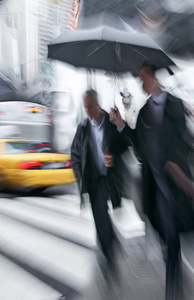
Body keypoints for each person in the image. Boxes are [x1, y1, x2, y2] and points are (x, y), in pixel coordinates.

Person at [110, 61, 194, 300]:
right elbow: (137, 143)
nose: (140, 83)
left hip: (174, 179)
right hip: (154, 183)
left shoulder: (175, 104)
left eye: (142, 77)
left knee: (171, 232)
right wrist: (120, 124)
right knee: (162, 232)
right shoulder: (144, 110)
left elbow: (183, 139)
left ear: (153, 78)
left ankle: (174, 287)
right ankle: (175, 270)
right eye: (138, 78)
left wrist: (172, 161)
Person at [70, 89, 127, 286]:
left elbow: (125, 144)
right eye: (85, 108)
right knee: (100, 218)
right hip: (95, 180)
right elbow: (75, 154)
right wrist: (81, 178)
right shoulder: (83, 127)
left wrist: (119, 126)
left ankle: (111, 237)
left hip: (111, 177)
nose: (88, 111)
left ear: (98, 104)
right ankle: (109, 261)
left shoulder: (111, 122)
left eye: (91, 107)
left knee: (110, 214)